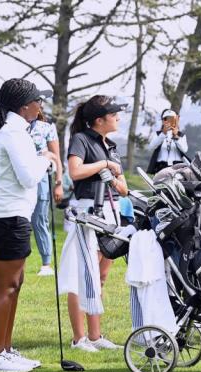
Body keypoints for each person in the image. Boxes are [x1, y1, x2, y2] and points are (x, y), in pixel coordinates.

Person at [0, 78, 58, 372]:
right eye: (38, 100)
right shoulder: (13, 133)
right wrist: (46, 158)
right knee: (6, 286)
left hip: (11, 216)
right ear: (25, 106)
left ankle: (6, 350)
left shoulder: (16, 130)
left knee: (16, 283)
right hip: (5, 216)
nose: (41, 106)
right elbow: (28, 177)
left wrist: (41, 157)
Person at [58, 95, 128, 352]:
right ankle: (79, 338)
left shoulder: (111, 145)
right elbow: (75, 172)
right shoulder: (81, 139)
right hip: (86, 212)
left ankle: (96, 336)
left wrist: (113, 176)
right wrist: (104, 165)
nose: (118, 118)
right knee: (82, 275)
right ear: (99, 120)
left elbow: (123, 189)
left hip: (111, 211)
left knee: (101, 276)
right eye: (114, 114)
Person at [29, 109, 64, 276]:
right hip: (20, 178)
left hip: (42, 180)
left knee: (39, 220)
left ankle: (46, 263)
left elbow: (56, 157)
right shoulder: (14, 128)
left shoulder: (47, 127)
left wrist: (59, 183)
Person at [146, 109, 188, 174]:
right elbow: (150, 147)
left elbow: (184, 149)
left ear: (175, 120)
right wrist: (163, 134)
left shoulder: (181, 135)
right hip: (161, 167)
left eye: (171, 119)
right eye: (166, 119)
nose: (169, 121)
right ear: (163, 121)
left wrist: (176, 136)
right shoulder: (158, 134)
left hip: (177, 167)